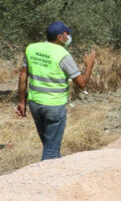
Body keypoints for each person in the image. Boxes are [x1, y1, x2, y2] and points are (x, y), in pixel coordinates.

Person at [15, 21, 96, 160]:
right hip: (54, 106)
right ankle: (45, 179)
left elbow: (23, 76)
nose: (69, 36)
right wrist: (89, 66)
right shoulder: (63, 55)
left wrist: (22, 102)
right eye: (67, 34)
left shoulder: (31, 48)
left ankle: (57, 174)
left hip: (34, 104)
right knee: (50, 152)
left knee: (50, 144)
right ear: (60, 37)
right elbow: (82, 83)